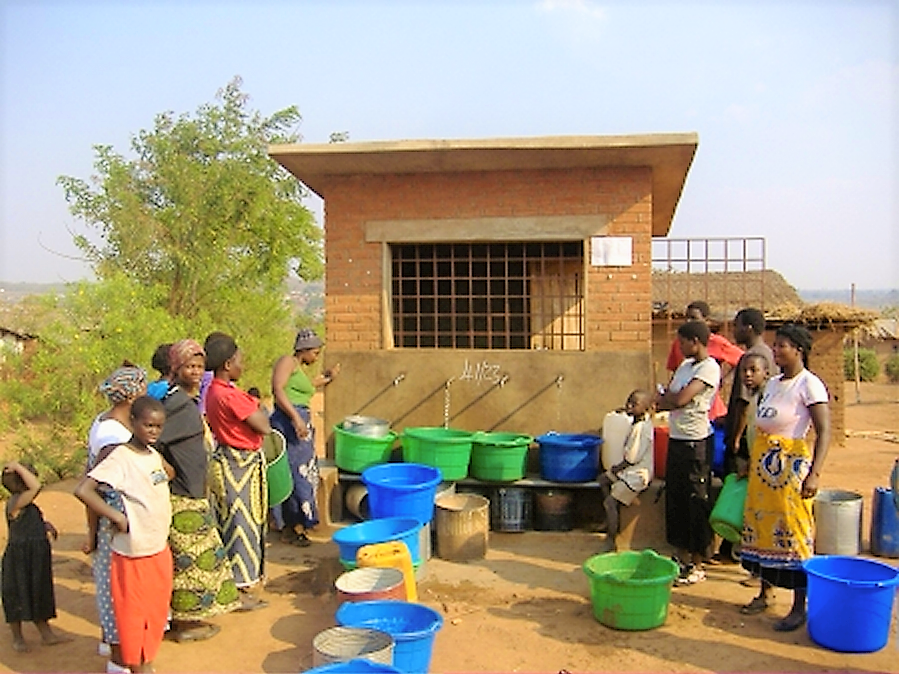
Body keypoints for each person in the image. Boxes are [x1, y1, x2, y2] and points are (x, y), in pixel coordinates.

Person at [738, 324, 831, 632]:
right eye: (775, 345)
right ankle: (765, 592)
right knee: (763, 531)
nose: (775, 350)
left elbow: (824, 431)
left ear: (799, 350)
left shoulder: (809, 384)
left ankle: (798, 606)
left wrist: (814, 474)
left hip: (791, 470)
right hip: (763, 471)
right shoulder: (774, 383)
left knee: (793, 533)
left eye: (782, 346)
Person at [75, 396, 174, 673]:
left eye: (158, 426)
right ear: (132, 423)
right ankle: (136, 667)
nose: (153, 431)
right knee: (133, 618)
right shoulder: (120, 457)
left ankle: (146, 665)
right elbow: (84, 490)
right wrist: (116, 515)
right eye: (148, 425)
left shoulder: (152, 454)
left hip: (157, 548)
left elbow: (165, 475)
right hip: (133, 554)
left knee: (155, 615)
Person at [156, 340, 240, 643]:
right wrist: (165, 468)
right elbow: (153, 441)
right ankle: (185, 625)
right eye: (189, 366)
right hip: (182, 495)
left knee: (201, 559)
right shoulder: (176, 404)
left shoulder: (186, 401)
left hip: (193, 491)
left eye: (199, 366)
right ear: (176, 369)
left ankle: (189, 621)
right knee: (189, 563)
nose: (195, 371)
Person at [84, 363, 148, 671]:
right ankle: (120, 661)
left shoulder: (105, 422)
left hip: (111, 525)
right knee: (119, 596)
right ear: (131, 398)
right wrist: (103, 527)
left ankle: (116, 651)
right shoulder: (114, 438)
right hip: (117, 525)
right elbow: (91, 487)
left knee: (112, 592)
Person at [204, 333, 272, 610]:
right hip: (240, 463)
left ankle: (233, 585)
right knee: (243, 524)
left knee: (228, 521)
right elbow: (264, 426)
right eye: (240, 361)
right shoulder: (230, 395)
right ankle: (241, 589)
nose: (242, 366)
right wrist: (259, 407)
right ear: (228, 364)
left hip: (225, 461)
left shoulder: (212, 392)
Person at [656, 320, 721, 585]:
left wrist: (669, 399)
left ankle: (697, 564)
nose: (679, 347)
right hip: (678, 439)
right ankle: (681, 557)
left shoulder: (709, 368)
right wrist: (669, 398)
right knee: (677, 499)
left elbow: (679, 400)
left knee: (696, 501)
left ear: (696, 341)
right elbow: (670, 395)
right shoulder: (685, 367)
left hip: (696, 443)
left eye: (682, 342)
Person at [715, 308, 776, 563]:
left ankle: (740, 549)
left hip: (747, 440)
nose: (735, 331)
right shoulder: (767, 355)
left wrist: (736, 437)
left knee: (740, 491)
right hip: (758, 439)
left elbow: (743, 404)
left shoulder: (751, 359)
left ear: (749, 327)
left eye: (738, 326)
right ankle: (732, 548)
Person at [270, 328, 340, 546]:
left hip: (299, 426)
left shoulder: (298, 370)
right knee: (292, 475)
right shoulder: (287, 362)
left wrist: (328, 377)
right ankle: (290, 526)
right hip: (289, 424)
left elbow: (308, 387)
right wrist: (296, 419)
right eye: (315, 353)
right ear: (305, 350)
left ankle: (301, 522)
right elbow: (278, 389)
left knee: (304, 474)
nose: (316, 357)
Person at [2, 461, 70, 653]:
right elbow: (35, 486)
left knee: (39, 593)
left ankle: (46, 633)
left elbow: (32, 517)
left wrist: (45, 525)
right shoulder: (15, 502)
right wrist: (16, 465)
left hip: (35, 557)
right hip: (20, 559)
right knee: (17, 597)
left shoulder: (27, 505)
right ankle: (17, 637)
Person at [666, 300, 743, 422]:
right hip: (682, 413)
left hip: (708, 409)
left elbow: (742, 359)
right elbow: (675, 372)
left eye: (693, 318)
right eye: (687, 318)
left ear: (706, 321)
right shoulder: (679, 344)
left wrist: (724, 379)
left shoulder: (716, 343)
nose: (688, 322)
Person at [597, 390, 654, 548]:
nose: (629, 406)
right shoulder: (637, 421)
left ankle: (611, 538)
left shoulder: (640, 429)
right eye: (628, 402)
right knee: (603, 480)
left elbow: (631, 458)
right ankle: (608, 520)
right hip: (629, 471)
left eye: (634, 404)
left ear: (646, 408)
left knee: (610, 502)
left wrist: (616, 469)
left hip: (637, 475)